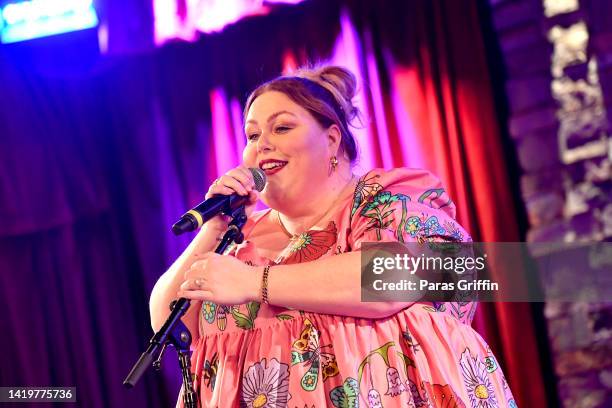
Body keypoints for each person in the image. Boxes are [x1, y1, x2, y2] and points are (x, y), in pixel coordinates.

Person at [150, 66, 518, 407]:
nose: (261, 144)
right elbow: (170, 323)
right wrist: (213, 231)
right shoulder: (238, 239)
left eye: (281, 128)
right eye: (252, 134)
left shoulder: (387, 199)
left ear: (331, 139)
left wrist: (253, 282)